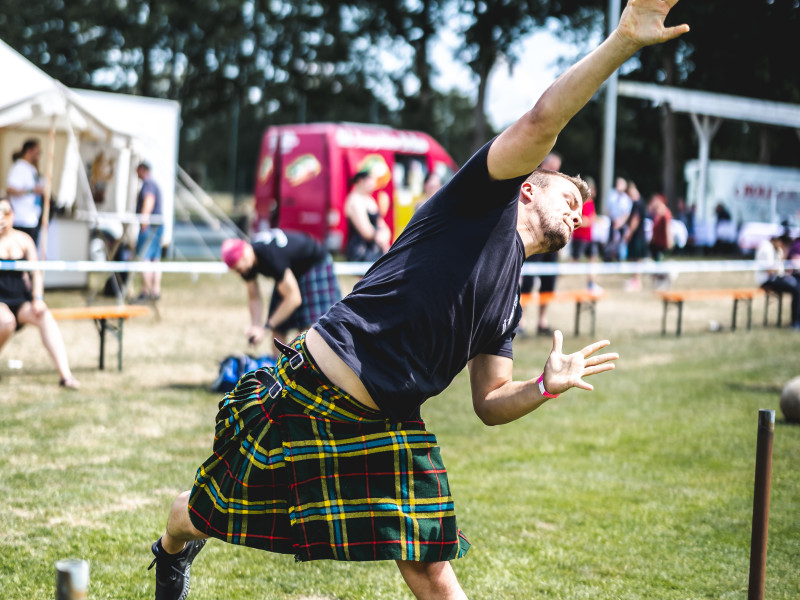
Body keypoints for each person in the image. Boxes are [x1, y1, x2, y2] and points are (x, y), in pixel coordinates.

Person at [148, 2, 686, 598]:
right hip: (317, 388)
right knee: (209, 512)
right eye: (569, 199)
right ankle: (173, 545)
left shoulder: (509, 299)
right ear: (528, 189)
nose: (578, 213)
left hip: (390, 419)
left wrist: (542, 386)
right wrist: (621, 43)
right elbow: (542, 120)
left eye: (583, 210)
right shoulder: (481, 200)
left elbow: (489, 401)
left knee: (431, 565)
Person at [0, 198, 80, 388]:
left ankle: (65, 376)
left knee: (45, 316)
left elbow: (36, 273)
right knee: (7, 322)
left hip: (21, 300)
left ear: (13, 215)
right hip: (1, 302)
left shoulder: (24, 240)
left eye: (5, 212)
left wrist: (38, 298)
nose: (2, 217)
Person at [220, 229, 341, 346]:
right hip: (290, 270)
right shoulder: (247, 264)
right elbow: (254, 297)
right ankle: (279, 360)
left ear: (246, 250)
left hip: (314, 264)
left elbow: (294, 299)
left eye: (241, 267)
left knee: (308, 329)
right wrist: (256, 326)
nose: (242, 271)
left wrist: (265, 328)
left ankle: (309, 360)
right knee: (278, 329)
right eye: (238, 270)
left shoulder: (270, 256)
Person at [520, 151, 562, 335]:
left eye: (558, 169)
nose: (556, 172)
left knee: (549, 282)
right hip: (534, 239)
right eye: (553, 168)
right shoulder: (533, 183)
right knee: (528, 282)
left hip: (552, 242)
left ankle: (542, 321)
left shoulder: (559, 188)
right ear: (544, 165)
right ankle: (520, 321)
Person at [343, 170, 391, 262]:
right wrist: (382, 239)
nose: (374, 184)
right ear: (361, 181)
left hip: (375, 247)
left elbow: (381, 224)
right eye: (371, 179)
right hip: (361, 251)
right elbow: (366, 231)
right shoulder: (355, 200)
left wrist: (386, 235)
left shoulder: (370, 199)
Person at [755, 235, 800, 329]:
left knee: (797, 287)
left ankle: (796, 320)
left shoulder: (775, 249)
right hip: (766, 280)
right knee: (796, 289)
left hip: (774, 278)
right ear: (779, 241)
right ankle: (795, 322)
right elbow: (770, 270)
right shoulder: (766, 249)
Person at [5, 139, 45, 245]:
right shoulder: (19, 167)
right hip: (21, 220)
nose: (39, 155)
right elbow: (10, 189)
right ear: (29, 151)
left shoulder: (31, 168)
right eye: (37, 152)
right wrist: (32, 190)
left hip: (32, 218)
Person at [135, 161, 164, 301]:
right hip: (157, 225)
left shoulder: (147, 184)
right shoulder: (154, 183)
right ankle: (155, 291)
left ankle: (146, 292)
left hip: (150, 226)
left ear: (142, 169)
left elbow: (149, 199)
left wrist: (144, 220)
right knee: (155, 259)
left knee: (145, 258)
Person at [570, 176, 602, 292]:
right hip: (580, 237)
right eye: (593, 189)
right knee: (574, 262)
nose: (594, 191)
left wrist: (595, 220)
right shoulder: (580, 202)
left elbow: (592, 217)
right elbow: (577, 219)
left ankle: (591, 284)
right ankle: (555, 277)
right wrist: (586, 221)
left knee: (593, 259)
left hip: (589, 237)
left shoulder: (591, 202)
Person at [623, 181, 647, 292]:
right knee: (636, 259)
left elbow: (635, 219)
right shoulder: (639, 201)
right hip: (639, 235)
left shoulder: (637, 203)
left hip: (637, 236)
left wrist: (629, 233)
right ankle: (635, 280)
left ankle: (636, 281)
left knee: (637, 259)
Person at [604, 176, 632, 261]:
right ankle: (609, 257)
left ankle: (620, 258)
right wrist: (613, 220)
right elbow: (608, 208)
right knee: (611, 242)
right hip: (612, 221)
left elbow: (627, 213)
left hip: (622, 223)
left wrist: (620, 222)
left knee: (621, 243)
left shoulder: (626, 199)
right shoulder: (611, 195)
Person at [648, 193, 672, 288]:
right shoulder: (657, 213)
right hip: (656, 242)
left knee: (660, 263)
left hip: (662, 243)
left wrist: (668, 241)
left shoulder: (665, 214)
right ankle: (659, 280)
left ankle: (663, 280)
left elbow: (667, 229)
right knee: (656, 263)